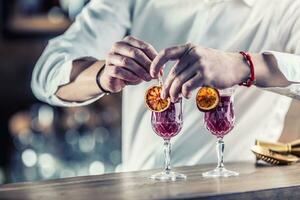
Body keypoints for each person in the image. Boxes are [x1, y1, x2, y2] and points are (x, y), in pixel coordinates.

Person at [31, 0, 300, 171]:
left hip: (232, 190)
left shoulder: (287, 8)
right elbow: (47, 72)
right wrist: (103, 74)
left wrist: (244, 66)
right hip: (138, 189)